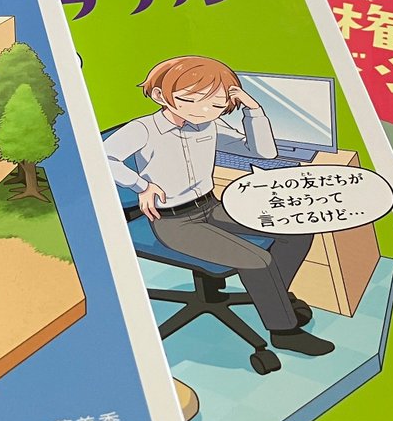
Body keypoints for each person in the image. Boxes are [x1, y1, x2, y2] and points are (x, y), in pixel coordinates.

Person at [105, 56, 334, 357]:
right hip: (172, 221)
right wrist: (140, 185)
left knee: (296, 232)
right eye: (192, 100)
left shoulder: (210, 126)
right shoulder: (143, 129)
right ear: (161, 96)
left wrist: (254, 111)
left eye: (215, 103)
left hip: (211, 206)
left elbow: (263, 153)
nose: (205, 111)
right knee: (259, 260)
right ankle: (284, 331)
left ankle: (273, 297)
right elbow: (103, 157)